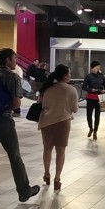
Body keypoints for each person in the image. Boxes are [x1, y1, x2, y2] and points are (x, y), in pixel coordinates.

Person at [0, 48, 40, 209]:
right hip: (4, 121)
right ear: (7, 60)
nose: (16, 61)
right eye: (14, 58)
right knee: (15, 157)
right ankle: (24, 190)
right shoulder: (13, 77)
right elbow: (16, 103)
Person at [38, 64, 78, 192]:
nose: (70, 75)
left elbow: (41, 104)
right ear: (65, 75)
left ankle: (46, 174)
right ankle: (57, 179)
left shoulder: (46, 88)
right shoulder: (71, 90)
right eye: (69, 73)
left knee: (47, 149)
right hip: (63, 122)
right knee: (61, 151)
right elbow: (75, 109)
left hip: (47, 122)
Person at [82, 61, 105, 140]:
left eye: (99, 67)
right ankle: (91, 128)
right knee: (89, 115)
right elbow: (84, 87)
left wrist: (104, 90)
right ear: (92, 68)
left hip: (99, 98)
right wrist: (90, 89)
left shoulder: (102, 76)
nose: (98, 68)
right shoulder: (88, 76)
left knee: (97, 116)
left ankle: (95, 132)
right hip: (90, 98)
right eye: (97, 67)